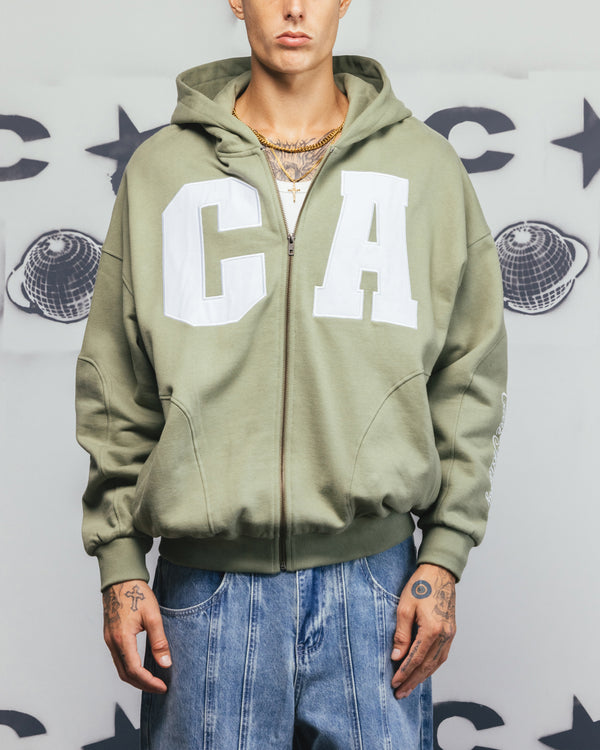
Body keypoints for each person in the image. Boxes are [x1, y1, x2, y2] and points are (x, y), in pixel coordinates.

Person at [76, 0, 508, 747]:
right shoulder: (161, 172)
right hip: (205, 596)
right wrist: (119, 561)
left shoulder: (426, 168)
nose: (295, 8)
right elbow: (117, 381)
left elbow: (468, 374)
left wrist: (443, 556)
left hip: (377, 588)